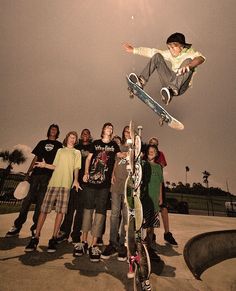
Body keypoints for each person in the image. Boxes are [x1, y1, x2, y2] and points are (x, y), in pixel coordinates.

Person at [73, 122, 123, 262]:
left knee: (100, 213)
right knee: (87, 211)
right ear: (103, 130)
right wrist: (86, 173)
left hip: (104, 186)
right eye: (107, 127)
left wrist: (133, 150)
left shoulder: (113, 145)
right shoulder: (95, 143)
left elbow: (120, 155)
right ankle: (83, 242)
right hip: (90, 183)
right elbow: (89, 158)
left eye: (111, 128)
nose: (109, 129)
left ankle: (94, 244)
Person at [25, 131, 81, 253]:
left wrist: (76, 180)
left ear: (76, 141)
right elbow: (55, 166)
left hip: (66, 185)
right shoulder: (60, 150)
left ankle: (54, 238)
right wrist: (45, 165)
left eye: (74, 138)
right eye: (71, 137)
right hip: (53, 184)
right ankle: (35, 237)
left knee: (60, 212)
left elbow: (76, 167)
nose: (72, 139)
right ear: (67, 139)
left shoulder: (77, 153)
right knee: (44, 211)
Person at [5, 124, 62, 238]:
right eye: (51, 129)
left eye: (55, 129)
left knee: (41, 203)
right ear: (49, 131)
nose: (53, 130)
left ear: (57, 132)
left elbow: (58, 162)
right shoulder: (41, 143)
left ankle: (35, 227)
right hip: (35, 175)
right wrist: (28, 172)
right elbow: (35, 158)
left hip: (47, 176)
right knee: (27, 200)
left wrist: (54, 176)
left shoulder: (59, 145)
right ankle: (17, 226)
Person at [123, 32, 205, 105]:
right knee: (157, 56)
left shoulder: (190, 53)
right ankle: (141, 82)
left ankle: (172, 90)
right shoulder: (169, 54)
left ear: (182, 46)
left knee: (188, 61)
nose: (171, 50)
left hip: (181, 86)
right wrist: (134, 50)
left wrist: (189, 66)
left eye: (173, 47)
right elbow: (151, 52)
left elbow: (201, 58)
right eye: (169, 48)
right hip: (170, 81)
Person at [57, 129, 93, 244]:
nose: (85, 135)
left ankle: (76, 234)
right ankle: (64, 232)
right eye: (83, 133)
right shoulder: (76, 147)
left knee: (80, 210)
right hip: (73, 181)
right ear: (81, 136)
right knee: (70, 207)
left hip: (86, 183)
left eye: (87, 133)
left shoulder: (92, 147)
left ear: (89, 136)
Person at [101, 126, 130, 261]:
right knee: (114, 214)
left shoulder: (135, 147)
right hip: (116, 182)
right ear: (123, 133)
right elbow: (114, 160)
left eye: (130, 131)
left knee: (125, 215)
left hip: (128, 184)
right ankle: (112, 242)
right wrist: (112, 174)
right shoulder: (118, 146)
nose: (127, 133)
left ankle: (122, 245)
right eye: (126, 131)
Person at [148, 137, 178, 246]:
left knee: (163, 207)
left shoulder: (160, 154)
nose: (153, 144)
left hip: (158, 182)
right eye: (151, 143)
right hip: (149, 184)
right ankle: (151, 234)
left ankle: (167, 233)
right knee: (150, 209)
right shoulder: (146, 153)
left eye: (155, 143)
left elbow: (162, 165)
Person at [141, 144, 163, 261]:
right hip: (145, 200)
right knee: (143, 225)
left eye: (153, 151)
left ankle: (149, 248)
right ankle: (140, 248)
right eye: (149, 151)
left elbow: (160, 183)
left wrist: (160, 197)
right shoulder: (143, 164)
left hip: (154, 200)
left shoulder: (159, 167)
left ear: (156, 153)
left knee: (151, 228)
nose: (151, 152)